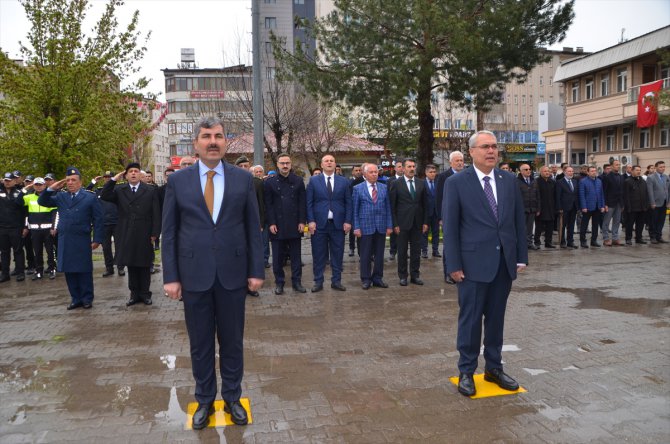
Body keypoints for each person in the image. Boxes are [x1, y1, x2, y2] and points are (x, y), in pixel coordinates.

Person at [162, 117, 264, 429]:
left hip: (233, 274)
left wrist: (256, 270)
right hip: (194, 275)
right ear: (196, 143)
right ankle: (205, 399)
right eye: (206, 136)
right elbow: (170, 232)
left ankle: (232, 397)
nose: (213, 142)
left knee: (232, 342)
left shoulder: (242, 179)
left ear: (225, 142)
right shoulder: (178, 181)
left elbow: (253, 228)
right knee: (200, 343)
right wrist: (171, 276)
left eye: (218, 136)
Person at [443, 130, 528, 397]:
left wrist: (521, 256)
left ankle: (494, 368)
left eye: (494, 146)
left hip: (503, 264)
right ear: (471, 152)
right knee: (470, 320)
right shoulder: (457, 183)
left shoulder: (508, 180)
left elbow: (518, 220)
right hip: (471, 265)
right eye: (485, 147)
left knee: (495, 319)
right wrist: (453, 264)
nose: (491, 151)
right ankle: (466, 371)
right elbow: (451, 227)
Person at [38, 167, 103, 310]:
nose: (70, 183)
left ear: (80, 182)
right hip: (65, 239)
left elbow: (98, 219)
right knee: (69, 270)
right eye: (68, 180)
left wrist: (97, 239)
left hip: (82, 238)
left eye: (73, 180)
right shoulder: (61, 197)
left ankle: (87, 298)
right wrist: (51, 188)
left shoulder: (89, 197)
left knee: (84, 270)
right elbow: (42, 202)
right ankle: (75, 298)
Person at [102, 164, 161, 306]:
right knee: (131, 263)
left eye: (136, 171)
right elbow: (105, 195)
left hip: (145, 231)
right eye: (130, 172)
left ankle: (145, 294)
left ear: (140, 175)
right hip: (126, 231)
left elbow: (156, 212)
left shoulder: (150, 190)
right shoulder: (119, 189)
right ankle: (134, 294)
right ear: (126, 175)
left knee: (144, 264)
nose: (133, 173)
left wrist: (155, 232)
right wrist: (114, 180)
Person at [306, 154, 352, 293]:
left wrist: (348, 221)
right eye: (326, 161)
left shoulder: (344, 181)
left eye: (332, 161)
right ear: (322, 164)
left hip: (338, 224)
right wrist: (311, 221)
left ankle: (336, 281)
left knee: (337, 254)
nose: (329, 163)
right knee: (318, 254)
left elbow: (349, 203)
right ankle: (318, 281)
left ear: (335, 164)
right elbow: (309, 203)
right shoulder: (314, 181)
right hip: (319, 224)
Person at [264, 153, 307, 295]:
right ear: (277, 164)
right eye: (282, 163)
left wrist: (302, 221)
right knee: (277, 258)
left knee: (296, 256)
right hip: (277, 224)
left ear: (291, 164)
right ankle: (279, 283)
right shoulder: (269, 183)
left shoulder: (298, 180)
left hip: (295, 224)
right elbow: (268, 205)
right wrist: (271, 223)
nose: (285, 165)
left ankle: (297, 282)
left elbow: (302, 203)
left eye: (287, 163)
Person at [352, 164, 392, 289]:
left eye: (376, 172)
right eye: (371, 172)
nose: (374, 174)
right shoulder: (357, 188)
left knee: (380, 254)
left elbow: (388, 208)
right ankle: (366, 279)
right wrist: (356, 227)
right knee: (365, 255)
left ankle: (378, 278)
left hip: (381, 225)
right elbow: (355, 210)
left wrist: (389, 225)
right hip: (365, 226)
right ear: (365, 174)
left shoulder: (384, 187)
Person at [389, 158, 429, 286]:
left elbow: (425, 204)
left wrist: (425, 222)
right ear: (403, 168)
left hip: (417, 223)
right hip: (402, 223)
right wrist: (395, 224)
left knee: (416, 251)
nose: (412, 169)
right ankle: (403, 276)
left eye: (413, 166)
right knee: (402, 251)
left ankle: (415, 275)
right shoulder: (396, 183)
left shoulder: (421, 183)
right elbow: (392, 206)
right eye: (409, 166)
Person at [236, 156, 265, 297]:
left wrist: (260, 223)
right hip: (235, 227)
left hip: (252, 225)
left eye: (246, 166)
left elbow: (261, 204)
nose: (243, 169)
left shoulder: (256, 183)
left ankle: (250, 287)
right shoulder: (230, 182)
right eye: (240, 166)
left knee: (251, 254)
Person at [87, 171, 124, 277]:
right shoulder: (99, 190)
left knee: (119, 246)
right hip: (104, 223)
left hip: (117, 222)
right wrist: (93, 182)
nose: (107, 178)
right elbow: (86, 192)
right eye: (106, 177)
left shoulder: (118, 189)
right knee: (106, 248)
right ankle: (109, 268)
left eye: (109, 177)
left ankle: (120, 268)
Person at [436, 151, 465, 283]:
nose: (460, 163)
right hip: (448, 216)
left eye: (461, 160)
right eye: (457, 161)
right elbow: (439, 198)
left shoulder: (467, 175)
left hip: (464, 217)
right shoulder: (443, 177)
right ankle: (448, 273)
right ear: (451, 162)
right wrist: (441, 217)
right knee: (449, 245)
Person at [22, 177, 58, 279]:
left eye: (40, 184)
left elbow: (55, 214)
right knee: (37, 252)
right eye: (36, 185)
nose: (38, 187)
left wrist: (54, 227)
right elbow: (18, 201)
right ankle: (39, 271)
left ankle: (52, 269)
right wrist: (25, 189)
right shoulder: (29, 197)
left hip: (48, 229)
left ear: (44, 185)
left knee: (50, 251)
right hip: (34, 230)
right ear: (33, 186)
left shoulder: (50, 197)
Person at [0, 172, 27, 282]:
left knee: (18, 250)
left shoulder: (20, 193)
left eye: (9, 180)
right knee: (4, 252)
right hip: (2, 227)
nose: (7, 182)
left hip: (16, 227)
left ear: (14, 181)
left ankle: (20, 273)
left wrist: (25, 227)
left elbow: (25, 211)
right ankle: (5, 274)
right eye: (5, 180)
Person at [578, 166, 606, 248]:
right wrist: (583, 207)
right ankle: (583, 241)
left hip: (597, 206)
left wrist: (602, 205)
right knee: (584, 225)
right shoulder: (583, 181)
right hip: (587, 207)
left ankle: (594, 240)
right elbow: (582, 195)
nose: (594, 172)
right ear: (588, 172)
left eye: (595, 171)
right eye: (592, 171)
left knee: (595, 225)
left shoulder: (599, 181)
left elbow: (601, 194)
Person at [623, 165, 649, 245]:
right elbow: (626, 196)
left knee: (640, 224)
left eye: (640, 170)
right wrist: (628, 207)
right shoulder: (627, 181)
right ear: (632, 171)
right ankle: (628, 239)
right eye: (637, 170)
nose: (639, 172)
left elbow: (646, 193)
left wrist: (646, 205)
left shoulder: (643, 181)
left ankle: (639, 238)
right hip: (632, 208)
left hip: (642, 207)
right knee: (629, 224)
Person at [554, 166, 579, 248]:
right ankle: (562, 241)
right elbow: (558, 196)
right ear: (565, 172)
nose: (571, 173)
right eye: (569, 171)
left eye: (572, 171)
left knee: (571, 225)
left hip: (573, 207)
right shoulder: (559, 182)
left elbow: (576, 194)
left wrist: (578, 206)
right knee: (562, 225)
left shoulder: (575, 181)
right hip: (564, 208)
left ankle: (570, 241)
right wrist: (559, 208)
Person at [517, 164, 541, 250]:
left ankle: (529, 243)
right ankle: (521, 244)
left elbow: (538, 195)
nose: (528, 171)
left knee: (530, 228)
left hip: (532, 208)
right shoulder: (516, 181)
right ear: (521, 171)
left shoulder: (534, 181)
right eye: (526, 169)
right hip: (521, 209)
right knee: (521, 228)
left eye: (529, 169)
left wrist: (538, 208)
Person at [601, 159, 625, 246]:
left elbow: (622, 191)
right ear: (611, 166)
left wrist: (622, 204)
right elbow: (604, 191)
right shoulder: (607, 177)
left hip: (619, 203)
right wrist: (605, 204)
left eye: (619, 165)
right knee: (606, 222)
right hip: (609, 203)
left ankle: (615, 238)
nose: (618, 166)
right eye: (616, 165)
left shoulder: (621, 177)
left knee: (617, 221)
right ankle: (606, 239)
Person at [534, 166, 556, 249]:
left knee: (550, 227)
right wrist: (537, 208)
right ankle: (537, 242)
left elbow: (555, 195)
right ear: (541, 172)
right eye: (545, 171)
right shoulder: (536, 182)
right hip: (541, 208)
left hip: (551, 208)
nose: (547, 172)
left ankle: (548, 242)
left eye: (548, 171)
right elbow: (536, 196)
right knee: (539, 227)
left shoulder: (552, 182)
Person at [386, 160, 404, 260]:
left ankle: (403, 251)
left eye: (402, 166)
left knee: (404, 233)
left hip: (404, 211)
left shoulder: (407, 179)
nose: (401, 168)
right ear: (395, 169)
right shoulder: (390, 181)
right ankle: (393, 251)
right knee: (394, 232)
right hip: (394, 210)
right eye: (399, 166)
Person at [647, 160, 669, 244]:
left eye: (664, 167)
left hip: (664, 202)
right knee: (653, 221)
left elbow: (668, 190)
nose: (663, 168)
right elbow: (650, 191)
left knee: (661, 221)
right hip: (655, 203)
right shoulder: (651, 177)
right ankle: (653, 237)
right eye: (661, 167)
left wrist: (668, 202)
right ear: (656, 168)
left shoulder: (666, 177)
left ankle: (659, 236)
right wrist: (652, 202)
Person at [421, 164, 441, 258]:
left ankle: (435, 250)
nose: (433, 174)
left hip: (436, 213)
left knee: (436, 232)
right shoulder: (422, 183)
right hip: (425, 213)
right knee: (424, 232)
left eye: (434, 172)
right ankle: (424, 251)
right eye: (431, 172)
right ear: (426, 173)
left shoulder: (438, 183)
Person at [348, 165, 364, 257]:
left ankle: (361, 251)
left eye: (359, 170)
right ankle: (351, 248)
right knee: (352, 230)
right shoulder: (349, 182)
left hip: (361, 209)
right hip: (352, 208)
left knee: (360, 231)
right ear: (352, 172)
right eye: (356, 170)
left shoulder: (364, 181)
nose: (358, 172)